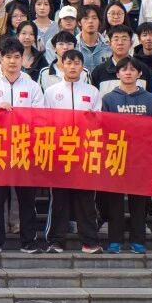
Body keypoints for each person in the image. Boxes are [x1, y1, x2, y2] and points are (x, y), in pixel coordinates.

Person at [0, 37, 46, 253]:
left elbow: (40, 118)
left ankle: (28, 241)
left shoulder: (32, 86)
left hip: (25, 148)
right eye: (8, 57)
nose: (13, 61)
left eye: (17, 57)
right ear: (0, 57)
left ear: (23, 59)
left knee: (27, 199)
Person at [42, 49, 103, 254]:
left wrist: (93, 118)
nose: (73, 67)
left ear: (82, 67)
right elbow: (45, 121)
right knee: (59, 198)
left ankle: (90, 241)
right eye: (68, 63)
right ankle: (55, 241)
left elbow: (100, 121)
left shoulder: (92, 92)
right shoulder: (51, 92)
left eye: (77, 63)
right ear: (62, 65)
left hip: (85, 152)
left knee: (86, 199)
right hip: (60, 151)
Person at [100, 56, 152, 254]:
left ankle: (138, 240)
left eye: (132, 69)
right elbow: (103, 128)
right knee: (115, 202)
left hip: (140, 159)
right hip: (116, 156)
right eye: (124, 69)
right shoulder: (108, 99)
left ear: (139, 74)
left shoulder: (149, 99)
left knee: (139, 203)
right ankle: (115, 241)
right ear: (117, 74)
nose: (128, 72)